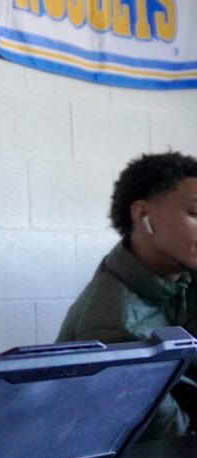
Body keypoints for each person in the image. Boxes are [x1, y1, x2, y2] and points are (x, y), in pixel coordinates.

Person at [57, 151, 197, 440]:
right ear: (143, 215)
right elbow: (171, 442)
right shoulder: (115, 327)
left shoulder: (179, 271)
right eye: (195, 213)